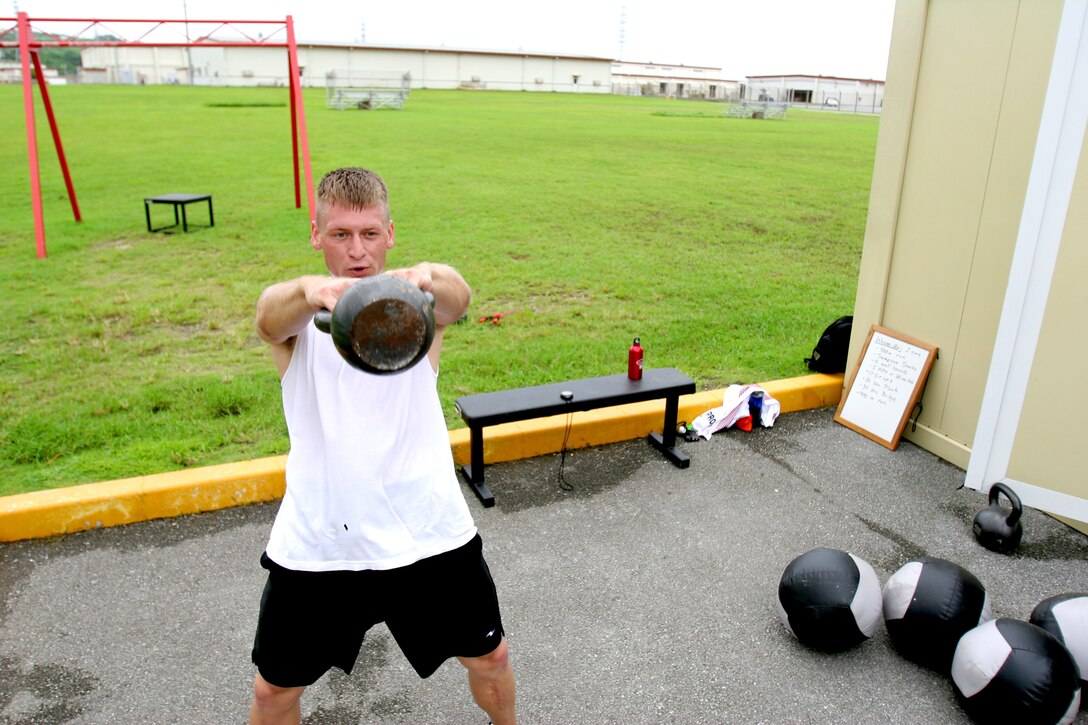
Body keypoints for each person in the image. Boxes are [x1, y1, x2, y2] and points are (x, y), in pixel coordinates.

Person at [249, 167, 516, 725]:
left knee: (490, 658)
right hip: (323, 540)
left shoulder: (413, 312)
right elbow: (267, 320)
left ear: (390, 234)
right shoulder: (299, 323)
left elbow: (458, 299)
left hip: (426, 530)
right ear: (316, 235)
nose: (357, 251)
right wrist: (307, 290)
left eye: (370, 234)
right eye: (341, 234)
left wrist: (424, 275)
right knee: (273, 693)